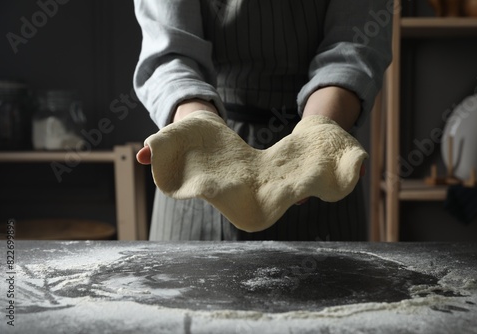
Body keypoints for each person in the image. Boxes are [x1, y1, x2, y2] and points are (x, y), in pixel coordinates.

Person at [133, 0, 392, 241]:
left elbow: (353, 47)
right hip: (201, 163)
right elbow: (171, 53)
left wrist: (320, 133)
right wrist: (197, 125)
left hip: (319, 160)